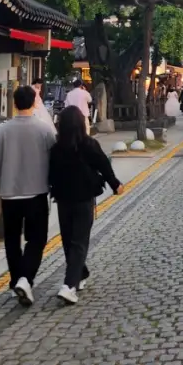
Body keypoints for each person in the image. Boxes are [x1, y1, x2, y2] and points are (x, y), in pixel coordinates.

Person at [0, 85, 56, 307]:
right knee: (37, 238)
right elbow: (55, 161)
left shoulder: (3, 130)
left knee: (13, 240)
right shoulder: (44, 130)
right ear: (34, 102)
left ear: (14, 103)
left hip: (9, 193)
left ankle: (16, 280)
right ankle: (26, 279)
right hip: (36, 192)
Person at [48, 104, 122, 305]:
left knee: (68, 239)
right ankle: (69, 285)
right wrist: (115, 185)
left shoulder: (56, 149)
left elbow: (51, 175)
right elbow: (103, 165)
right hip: (84, 199)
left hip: (64, 200)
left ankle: (79, 275)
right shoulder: (89, 144)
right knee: (79, 242)